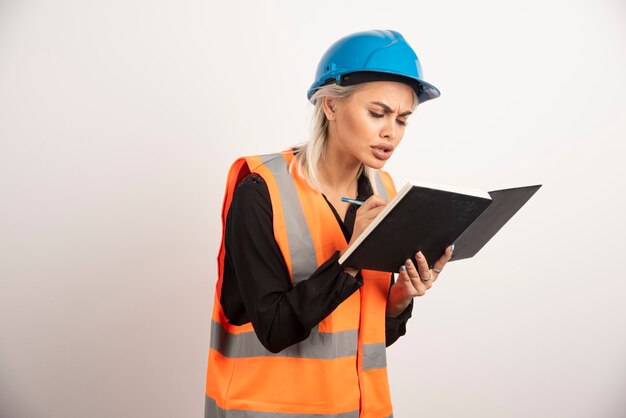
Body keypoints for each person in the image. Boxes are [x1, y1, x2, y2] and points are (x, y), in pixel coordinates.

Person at [204, 29, 454, 418]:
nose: (391, 132)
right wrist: (350, 259)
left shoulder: (383, 191)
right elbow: (274, 329)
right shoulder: (260, 188)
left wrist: (399, 300)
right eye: (377, 113)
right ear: (331, 106)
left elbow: (366, 338)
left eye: (403, 120)